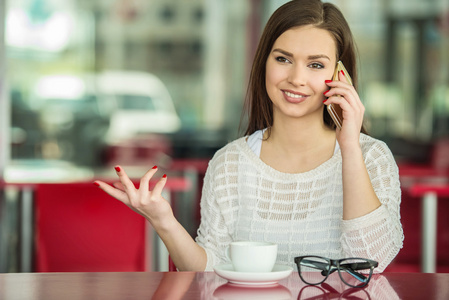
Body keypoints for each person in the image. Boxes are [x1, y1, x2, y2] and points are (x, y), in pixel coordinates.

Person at [94, 0, 403, 272]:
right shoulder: (230, 163)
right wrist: (163, 221)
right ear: (264, 64)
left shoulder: (371, 157)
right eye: (282, 59)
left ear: (339, 77)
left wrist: (349, 145)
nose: (296, 78)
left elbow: (369, 263)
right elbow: (210, 270)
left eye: (315, 65)